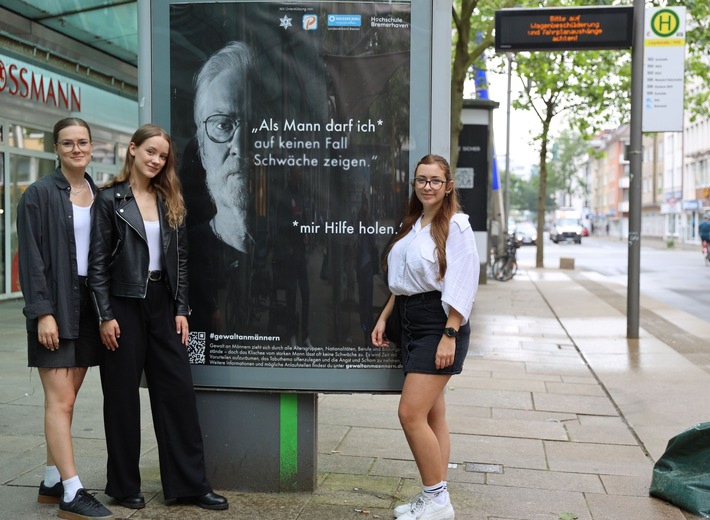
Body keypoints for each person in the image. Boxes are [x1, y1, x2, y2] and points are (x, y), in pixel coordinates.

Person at [88, 124, 228, 511]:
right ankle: (122, 484)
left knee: (179, 395)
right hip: (122, 306)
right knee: (121, 399)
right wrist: (105, 315)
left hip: (162, 306)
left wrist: (181, 307)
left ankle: (190, 485)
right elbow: (97, 264)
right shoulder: (109, 200)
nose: (156, 160)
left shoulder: (170, 199)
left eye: (162, 155)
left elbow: (180, 260)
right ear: (132, 150)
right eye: (150, 151)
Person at [371, 154, 479, 520]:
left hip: (439, 321)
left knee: (409, 413)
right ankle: (433, 496)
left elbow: (464, 283)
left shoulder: (457, 226)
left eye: (435, 180)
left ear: (448, 186)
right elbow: (402, 282)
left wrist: (450, 333)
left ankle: (438, 502)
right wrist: (385, 317)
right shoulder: (413, 224)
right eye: (421, 180)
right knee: (433, 416)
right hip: (411, 320)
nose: (427, 186)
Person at [17, 117, 114, 520]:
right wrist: (42, 313)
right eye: (67, 143)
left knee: (68, 401)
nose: (76, 149)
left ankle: (52, 480)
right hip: (54, 304)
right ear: (55, 149)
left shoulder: (100, 194)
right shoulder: (38, 194)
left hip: (88, 306)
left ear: (92, 147)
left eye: (83, 142)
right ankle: (73, 494)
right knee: (61, 400)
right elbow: (32, 260)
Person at [183, 41, 254, 334]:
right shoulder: (191, 241)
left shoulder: (284, 245)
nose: (240, 147)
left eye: (254, 126)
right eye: (222, 125)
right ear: (200, 142)